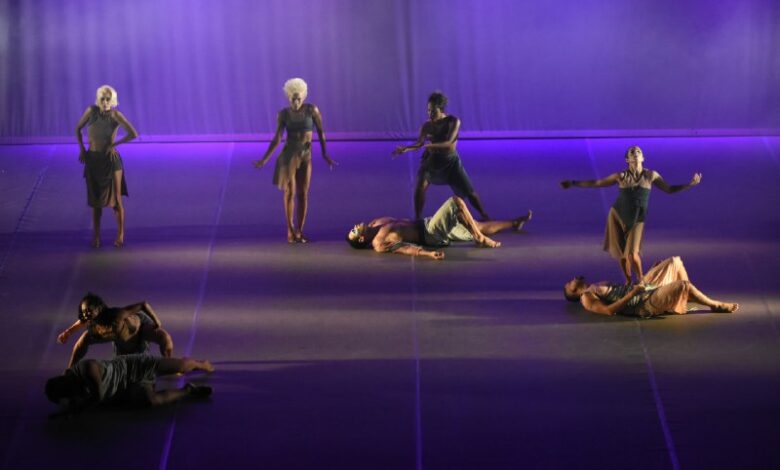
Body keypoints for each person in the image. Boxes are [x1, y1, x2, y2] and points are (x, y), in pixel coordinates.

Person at [560, 146, 701, 284]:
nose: (636, 153)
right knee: (622, 256)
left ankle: (641, 281)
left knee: (633, 254)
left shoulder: (650, 175)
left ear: (643, 158)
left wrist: (689, 185)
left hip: (638, 219)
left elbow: (669, 189)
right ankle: (628, 283)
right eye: (632, 152)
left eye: (638, 151)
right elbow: (597, 182)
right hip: (617, 216)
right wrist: (573, 183)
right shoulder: (621, 176)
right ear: (627, 160)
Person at [253, 78, 337, 243]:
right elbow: (277, 138)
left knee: (303, 194)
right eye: (293, 99)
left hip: (306, 156)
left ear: (304, 97)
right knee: (289, 192)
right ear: (288, 97)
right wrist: (264, 159)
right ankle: (290, 230)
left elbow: (321, 132)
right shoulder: (283, 114)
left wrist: (325, 153)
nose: (296, 102)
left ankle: (300, 230)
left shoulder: (312, 110)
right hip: (288, 157)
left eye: (299, 99)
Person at [392, 92, 489, 220]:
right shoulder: (426, 126)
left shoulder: (453, 121)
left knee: (470, 193)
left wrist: (429, 146)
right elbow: (419, 143)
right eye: (428, 110)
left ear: (441, 109)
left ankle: (484, 215)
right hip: (432, 161)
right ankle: (417, 219)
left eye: (433, 111)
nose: (430, 114)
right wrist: (406, 149)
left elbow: (448, 142)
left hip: (451, 162)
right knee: (420, 186)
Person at [346, 196, 531, 259]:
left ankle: (514, 223)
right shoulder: (379, 243)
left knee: (476, 224)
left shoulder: (375, 222)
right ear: (361, 239)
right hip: (431, 234)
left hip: (428, 223)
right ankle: (480, 238)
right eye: (354, 231)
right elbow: (403, 248)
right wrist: (427, 254)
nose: (354, 226)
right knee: (455, 202)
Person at [563, 256, 739, 317]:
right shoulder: (586, 297)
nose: (572, 279)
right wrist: (633, 294)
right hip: (642, 303)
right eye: (569, 283)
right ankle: (714, 305)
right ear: (573, 291)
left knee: (674, 262)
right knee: (683, 284)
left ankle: (685, 296)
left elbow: (624, 289)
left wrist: (650, 272)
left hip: (642, 290)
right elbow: (609, 311)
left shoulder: (595, 285)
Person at [75, 85, 139, 248]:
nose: (105, 102)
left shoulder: (116, 115)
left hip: (111, 161)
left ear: (113, 101)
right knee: (96, 202)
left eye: (108, 99)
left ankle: (120, 235)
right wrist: (82, 148)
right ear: (98, 100)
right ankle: (96, 237)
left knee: (116, 200)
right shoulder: (91, 111)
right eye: (102, 99)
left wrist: (114, 145)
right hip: (93, 160)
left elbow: (133, 134)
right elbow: (78, 128)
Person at [45, 354, 214, 415]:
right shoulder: (75, 391)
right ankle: (188, 390)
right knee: (151, 401)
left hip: (134, 366)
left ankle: (200, 364)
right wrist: (71, 408)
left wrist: (77, 409)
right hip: (130, 386)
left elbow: (99, 394)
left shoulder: (86, 368)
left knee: (181, 366)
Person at [56, 293, 173, 369]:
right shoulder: (92, 324)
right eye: (84, 313)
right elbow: (82, 321)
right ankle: (69, 370)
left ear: (99, 308)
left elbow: (143, 305)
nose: (86, 315)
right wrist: (68, 332)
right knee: (83, 340)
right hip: (122, 345)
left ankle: (171, 364)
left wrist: (157, 321)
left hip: (138, 331)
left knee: (164, 338)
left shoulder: (117, 315)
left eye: (89, 311)